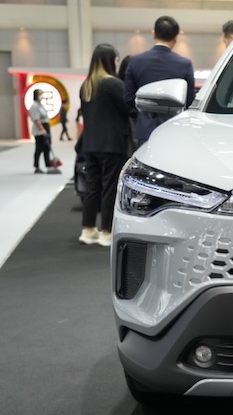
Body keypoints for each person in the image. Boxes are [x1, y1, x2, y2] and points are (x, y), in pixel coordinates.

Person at [78, 43, 131, 247]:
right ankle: (106, 232)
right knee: (109, 188)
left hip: (90, 144)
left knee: (92, 187)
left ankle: (88, 229)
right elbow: (129, 108)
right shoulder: (113, 84)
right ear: (110, 61)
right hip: (112, 144)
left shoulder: (86, 86)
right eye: (116, 60)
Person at [123, 15, 196, 146]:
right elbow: (190, 101)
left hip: (145, 130)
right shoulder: (184, 64)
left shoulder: (135, 62)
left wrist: (142, 115)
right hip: (174, 131)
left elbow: (129, 99)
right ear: (176, 38)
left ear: (154, 34)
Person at [29, 89, 52, 174]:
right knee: (39, 148)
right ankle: (36, 166)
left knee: (47, 147)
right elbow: (36, 119)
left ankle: (48, 165)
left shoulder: (41, 105)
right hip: (39, 129)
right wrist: (42, 129)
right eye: (41, 94)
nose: (42, 96)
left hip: (46, 126)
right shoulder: (34, 106)